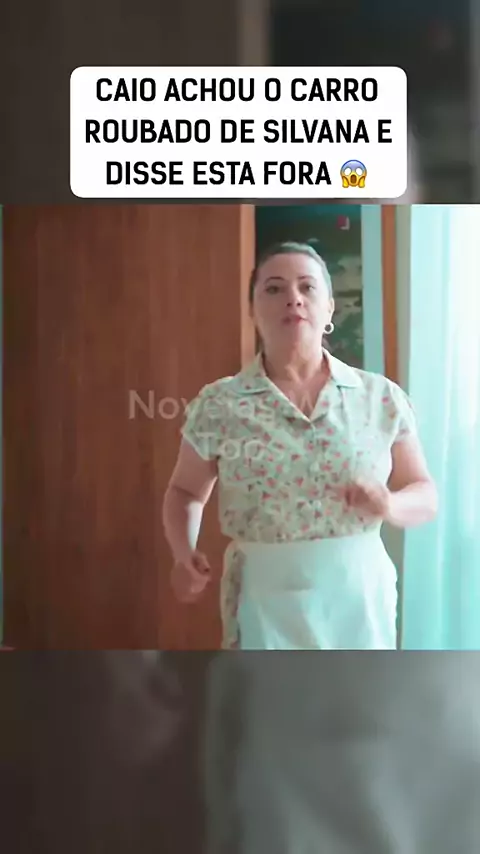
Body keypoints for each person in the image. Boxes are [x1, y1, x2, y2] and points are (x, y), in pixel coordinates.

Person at [162, 242, 437, 650]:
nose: (293, 298)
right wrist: (183, 552)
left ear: (329, 309)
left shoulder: (380, 397)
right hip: (263, 599)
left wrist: (389, 504)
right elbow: (186, 492)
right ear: (253, 310)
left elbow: (424, 493)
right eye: (274, 289)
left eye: (307, 287)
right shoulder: (219, 403)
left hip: (357, 597)